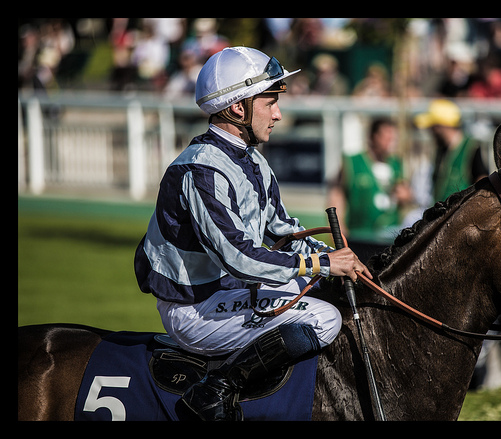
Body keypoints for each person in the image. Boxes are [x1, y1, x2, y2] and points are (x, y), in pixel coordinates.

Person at [134, 46, 371, 421]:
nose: (278, 114)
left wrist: (343, 260)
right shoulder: (200, 171)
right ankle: (216, 389)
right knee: (325, 319)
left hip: (226, 290)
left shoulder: (253, 160)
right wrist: (323, 264)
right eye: (270, 102)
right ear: (237, 108)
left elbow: (285, 230)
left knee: (324, 289)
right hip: (194, 310)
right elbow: (241, 258)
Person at [327, 118, 412, 257]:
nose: (391, 142)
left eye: (393, 138)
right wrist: (338, 229)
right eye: (387, 137)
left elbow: (407, 197)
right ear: (373, 136)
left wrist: (406, 196)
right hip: (360, 237)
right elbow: (337, 195)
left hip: (390, 238)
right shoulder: (353, 162)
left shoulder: (397, 164)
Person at [414, 99, 487, 202]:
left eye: (433, 127)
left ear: (442, 126)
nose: (431, 132)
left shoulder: (471, 147)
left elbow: (482, 181)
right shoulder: (441, 149)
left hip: (461, 210)